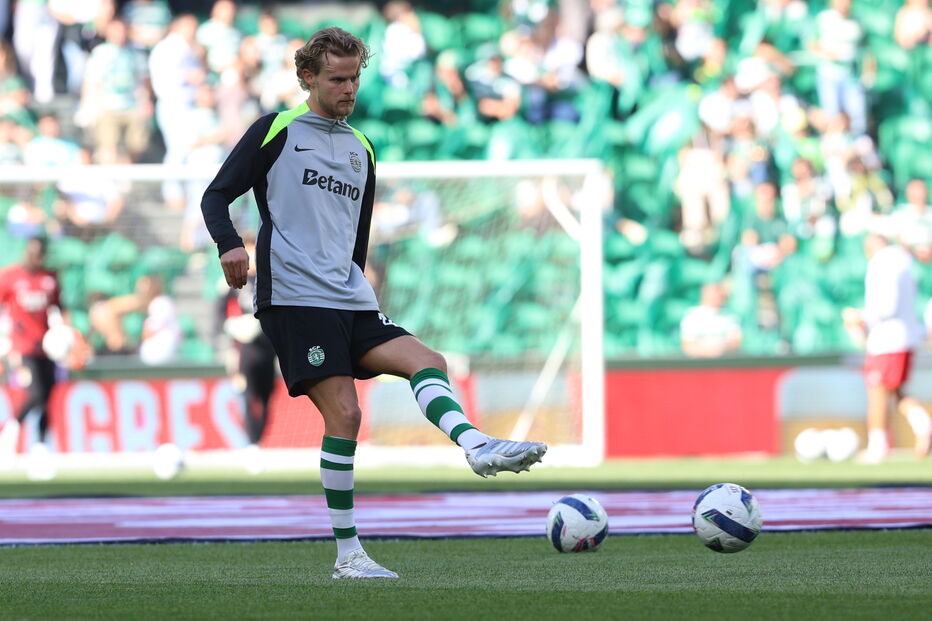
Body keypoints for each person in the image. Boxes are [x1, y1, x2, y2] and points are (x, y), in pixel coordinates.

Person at [201, 27, 547, 580]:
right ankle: (349, 556)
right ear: (308, 77)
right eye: (336, 79)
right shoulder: (277, 131)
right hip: (294, 297)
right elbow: (216, 195)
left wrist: (362, 283)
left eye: (355, 78)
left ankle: (477, 446)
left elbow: (356, 237)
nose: (348, 89)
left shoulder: (362, 148)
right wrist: (228, 246)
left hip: (349, 296)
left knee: (427, 361)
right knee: (346, 413)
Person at [843, 231, 932, 463]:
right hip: (902, 337)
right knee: (896, 390)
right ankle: (922, 423)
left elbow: (885, 306)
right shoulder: (902, 265)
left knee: (877, 390)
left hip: (887, 340)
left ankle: (878, 444)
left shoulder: (882, 264)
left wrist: (860, 317)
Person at [0, 237, 62, 480]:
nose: (35, 257)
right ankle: (10, 435)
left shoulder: (50, 278)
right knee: (35, 393)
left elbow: (58, 308)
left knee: (47, 396)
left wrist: (63, 335)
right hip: (23, 346)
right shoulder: (11, 277)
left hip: (47, 346)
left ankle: (41, 446)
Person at [216, 237, 277, 474]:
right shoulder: (232, 284)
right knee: (248, 394)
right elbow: (219, 315)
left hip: (268, 346)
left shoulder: (270, 281)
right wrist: (231, 327)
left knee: (266, 396)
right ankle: (252, 443)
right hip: (245, 349)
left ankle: (257, 441)